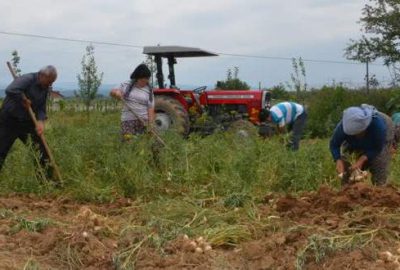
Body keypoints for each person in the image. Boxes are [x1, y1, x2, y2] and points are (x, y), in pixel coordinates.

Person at [0, 65, 57, 179]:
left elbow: (41, 108)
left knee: (41, 151)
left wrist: (40, 121)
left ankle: (47, 183)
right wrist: (23, 100)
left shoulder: (45, 88)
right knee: (1, 150)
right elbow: (10, 90)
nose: (49, 85)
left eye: (52, 83)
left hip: (27, 123)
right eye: (49, 82)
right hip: (9, 121)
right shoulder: (27, 79)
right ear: (42, 75)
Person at [330, 104, 394, 186]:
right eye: (353, 134)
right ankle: (348, 189)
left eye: (359, 133)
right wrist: (337, 160)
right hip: (352, 142)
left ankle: (379, 190)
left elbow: (377, 148)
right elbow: (334, 144)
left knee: (379, 164)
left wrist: (362, 159)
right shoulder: (343, 127)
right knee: (346, 162)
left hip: (382, 134)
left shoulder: (378, 126)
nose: (357, 135)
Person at [110, 64, 155, 141]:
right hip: (128, 121)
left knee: (145, 144)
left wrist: (150, 124)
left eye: (147, 80)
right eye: (142, 80)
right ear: (137, 78)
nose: (145, 82)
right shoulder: (126, 85)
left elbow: (150, 108)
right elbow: (112, 92)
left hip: (144, 122)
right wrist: (117, 93)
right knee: (128, 144)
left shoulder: (149, 90)